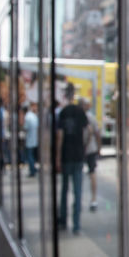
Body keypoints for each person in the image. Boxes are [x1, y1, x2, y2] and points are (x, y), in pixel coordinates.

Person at [56, 84, 89, 233]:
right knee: (77, 190)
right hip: (78, 155)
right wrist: (84, 147)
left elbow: (60, 137)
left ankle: (63, 220)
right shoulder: (80, 112)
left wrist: (57, 157)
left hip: (66, 156)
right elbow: (87, 132)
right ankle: (76, 224)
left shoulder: (63, 113)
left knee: (64, 189)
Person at [79, 98, 101, 211]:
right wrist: (99, 147)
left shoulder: (85, 117)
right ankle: (93, 199)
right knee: (91, 173)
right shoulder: (90, 117)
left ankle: (88, 199)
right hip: (89, 149)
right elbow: (97, 133)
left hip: (84, 148)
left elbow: (96, 133)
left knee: (85, 174)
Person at [23, 101, 39, 177]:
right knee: (31, 155)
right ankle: (33, 169)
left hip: (30, 139)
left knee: (30, 156)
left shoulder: (28, 117)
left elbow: (26, 128)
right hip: (34, 138)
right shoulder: (33, 116)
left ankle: (32, 170)